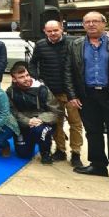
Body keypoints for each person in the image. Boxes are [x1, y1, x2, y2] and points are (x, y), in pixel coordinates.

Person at [64, 11, 109, 191]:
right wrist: (72, 95)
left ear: (104, 23)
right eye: (87, 22)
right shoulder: (76, 45)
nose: (91, 24)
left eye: (96, 21)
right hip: (87, 97)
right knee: (92, 132)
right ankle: (98, 165)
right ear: (83, 25)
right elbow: (69, 72)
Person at [28, 20, 83, 167]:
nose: (53, 33)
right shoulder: (40, 45)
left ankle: (76, 153)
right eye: (49, 31)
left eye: (55, 30)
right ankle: (60, 150)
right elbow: (33, 63)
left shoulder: (74, 42)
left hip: (71, 93)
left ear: (62, 29)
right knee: (56, 123)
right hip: (51, 93)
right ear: (45, 31)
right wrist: (36, 78)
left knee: (75, 124)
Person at [6, 63, 60, 164]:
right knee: (23, 154)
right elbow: (12, 112)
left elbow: (55, 111)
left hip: (42, 122)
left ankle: (45, 153)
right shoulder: (10, 92)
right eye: (21, 77)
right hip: (23, 122)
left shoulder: (43, 89)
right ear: (14, 79)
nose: (26, 78)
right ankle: (30, 141)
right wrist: (28, 121)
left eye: (27, 75)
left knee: (40, 131)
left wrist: (41, 119)